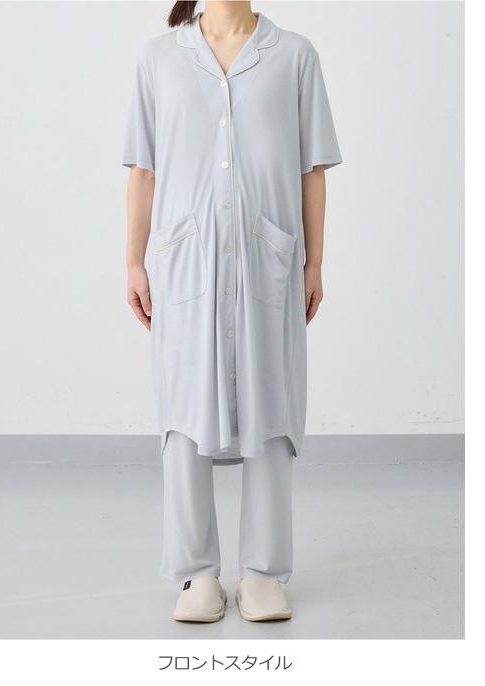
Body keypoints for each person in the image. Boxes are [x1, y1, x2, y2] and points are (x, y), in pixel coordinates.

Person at [123, 0, 342, 622]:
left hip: (268, 260)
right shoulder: (158, 58)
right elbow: (144, 170)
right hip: (185, 262)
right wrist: (135, 262)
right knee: (184, 410)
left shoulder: (294, 56)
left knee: (271, 405)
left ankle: (263, 573)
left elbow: (312, 169)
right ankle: (196, 575)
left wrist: (314, 263)